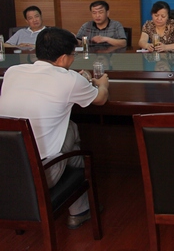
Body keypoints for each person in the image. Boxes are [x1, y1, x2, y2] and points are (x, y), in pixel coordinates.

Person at [0, 27, 109, 229]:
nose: (73, 59)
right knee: (71, 130)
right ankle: (79, 208)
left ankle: (80, 209)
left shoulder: (12, 72)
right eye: (73, 55)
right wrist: (102, 83)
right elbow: (101, 99)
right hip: (41, 174)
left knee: (68, 129)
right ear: (63, 58)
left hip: (5, 168)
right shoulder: (70, 79)